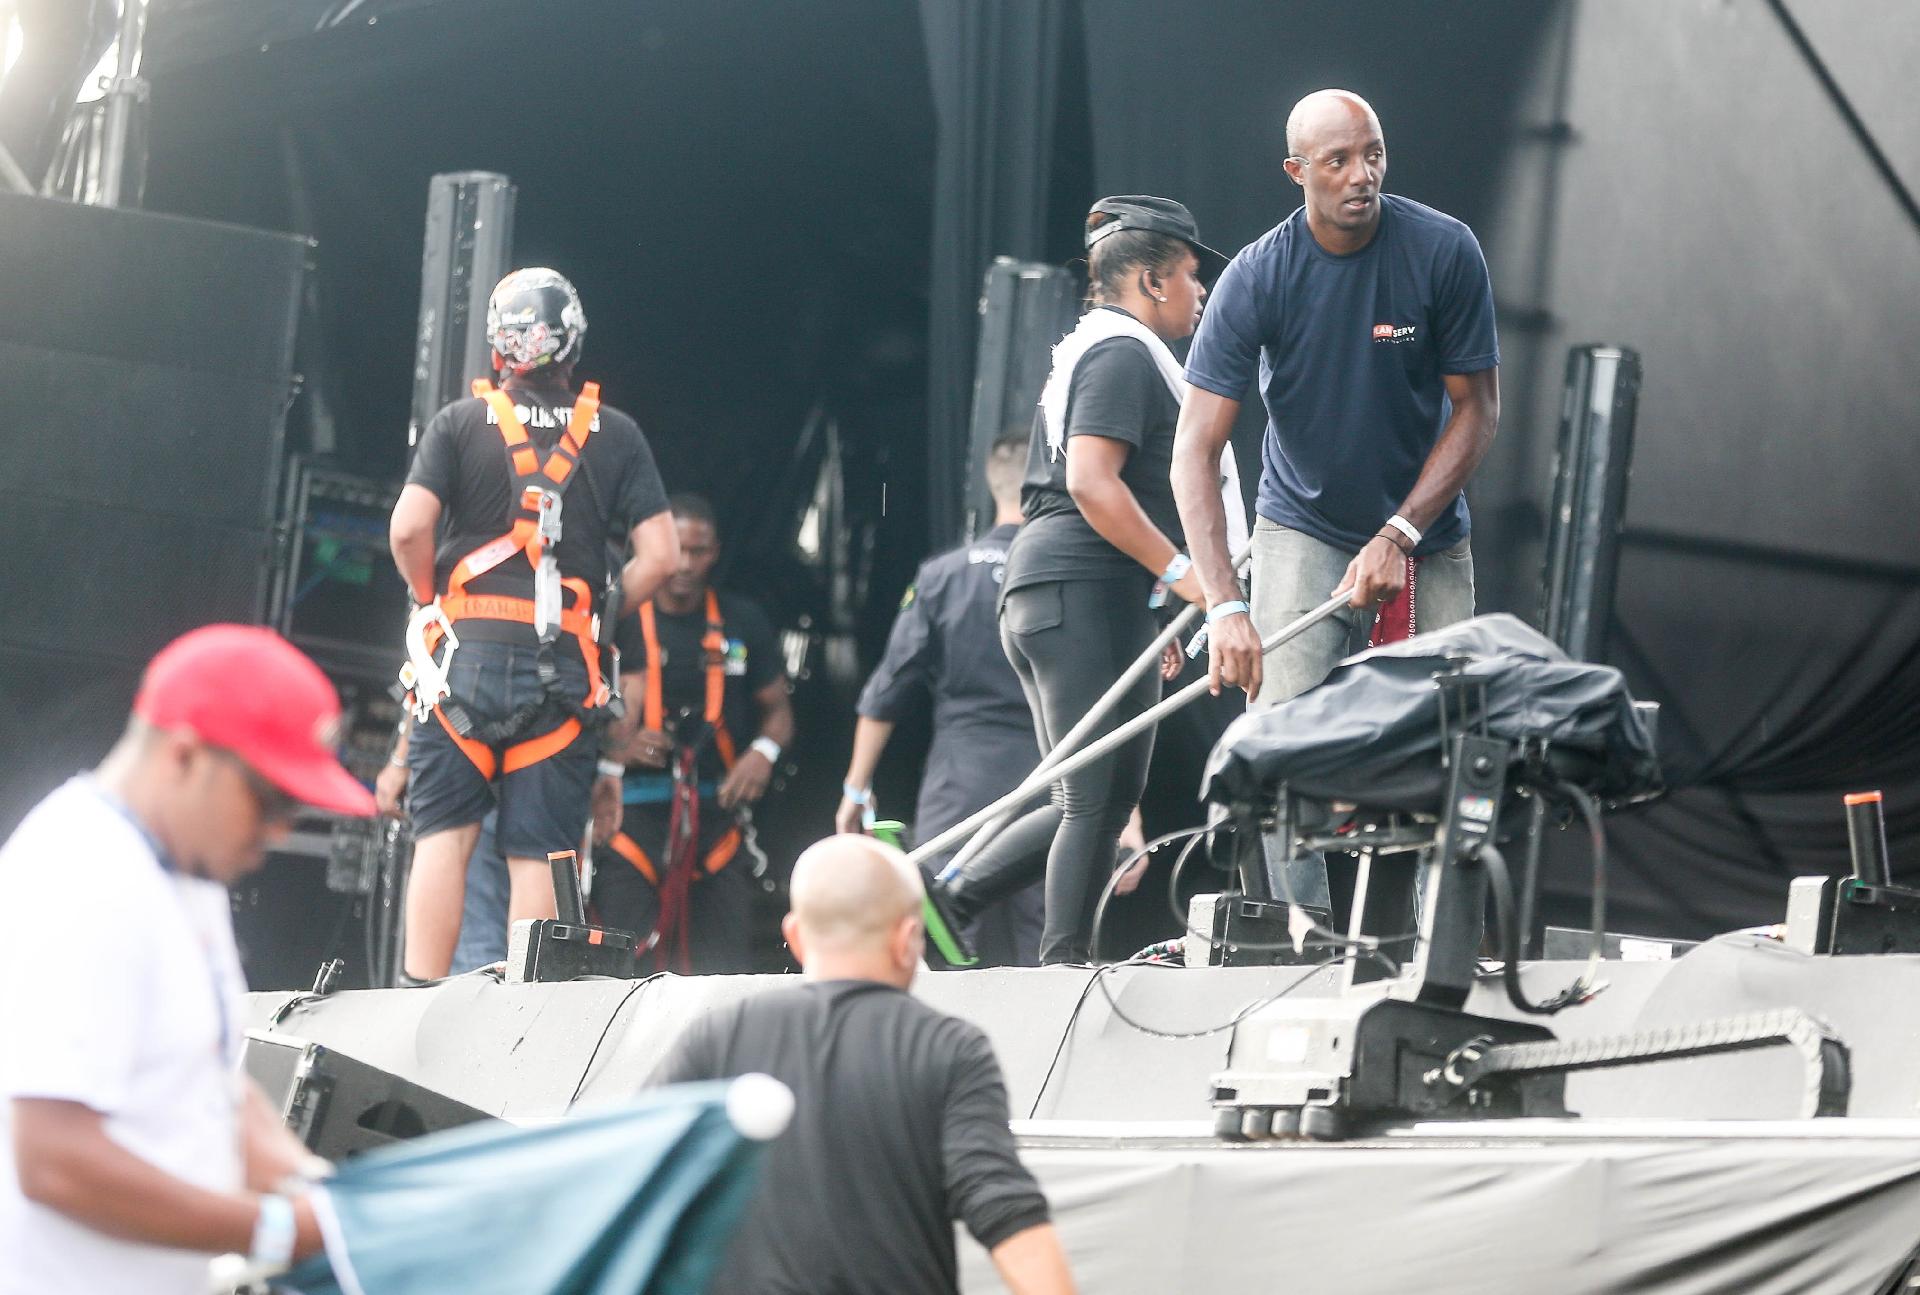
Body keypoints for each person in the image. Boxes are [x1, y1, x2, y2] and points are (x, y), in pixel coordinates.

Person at [0, 625, 374, 1294]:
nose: (282, 830)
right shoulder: (81, 875)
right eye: (271, 799)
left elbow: (213, 1091)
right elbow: (51, 1159)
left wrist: (320, 1190)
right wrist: (279, 1228)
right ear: (184, 755)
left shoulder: (183, 873)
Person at [945, 195, 1236, 965]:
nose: (1201, 292)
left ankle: (951, 895)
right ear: (1149, 279)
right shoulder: (1120, 353)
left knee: (1088, 794)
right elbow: (1093, 483)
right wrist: (1177, 576)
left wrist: (1150, 601)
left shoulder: (1105, 350)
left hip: (1074, 589)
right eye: (1190, 276)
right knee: (1097, 797)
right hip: (1078, 583)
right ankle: (1062, 967)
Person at [388, 267, 677, 981]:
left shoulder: (458, 422)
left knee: (442, 841)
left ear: (499, 344)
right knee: (540, 852)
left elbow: (407, 530)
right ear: (573, 340)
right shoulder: (617, 433)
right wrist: (602, 612)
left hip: (462, 661)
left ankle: (413, 999)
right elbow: (662, 556)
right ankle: (524, 1019)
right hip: (562, 666)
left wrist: (434, 603)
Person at [1172, 89, 1501, 707]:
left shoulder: (1445, 249)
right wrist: (1223, 606)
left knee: (1446, 744)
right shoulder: (1256, 277)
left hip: (1423, 530)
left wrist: (1400, 532)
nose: (1362, 175)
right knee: (1282, 747)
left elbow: (1478, 410)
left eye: (1373, 154)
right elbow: (1195, 446)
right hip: (1304, 524)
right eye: (1338, 160)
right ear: (1296, 171)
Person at [650, 834, 1075, 1295]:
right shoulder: (952, 1048)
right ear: (908, 938)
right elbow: (1002, 1206)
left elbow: (635, 1178)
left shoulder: (716, 1039)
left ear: (794, 935)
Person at [836, 434, 1046, 966]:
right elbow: (1110, 701)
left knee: (945, 934)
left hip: (960, 780)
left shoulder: (943, 576)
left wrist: (856, 788)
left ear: (991, 485)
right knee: (1046, 942)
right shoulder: (1066, 573)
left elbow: (887, 689)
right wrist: (1127, 814)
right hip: (1050, 776)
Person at [600, 493, 794, 973]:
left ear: (716, 553)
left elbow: (779, 712)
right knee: (625, 966)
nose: (686, 564)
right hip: (630, 816)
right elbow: (572, 709)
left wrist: (762, 754)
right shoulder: (616, 621)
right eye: (678, 549)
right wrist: (617, 746)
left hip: (716, 817)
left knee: (723, 968)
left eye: (699, 551)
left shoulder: (742, 620)